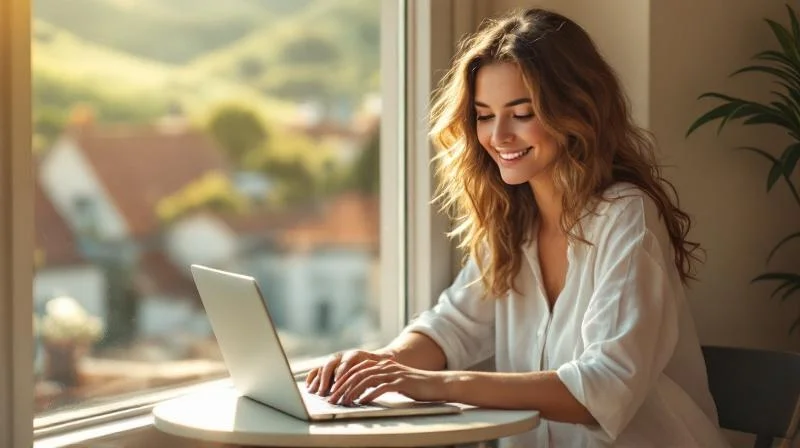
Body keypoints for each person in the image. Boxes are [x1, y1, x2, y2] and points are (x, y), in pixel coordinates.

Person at [306, 7, 728, 448]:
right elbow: (453, 327)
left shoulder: (626, 216)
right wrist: (381, 363)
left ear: (577, 111)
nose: (498, 136)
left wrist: (433, 384)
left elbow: (602, 388)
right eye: (484, 115)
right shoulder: (512, 221)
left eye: (522, 113)